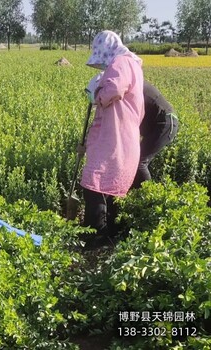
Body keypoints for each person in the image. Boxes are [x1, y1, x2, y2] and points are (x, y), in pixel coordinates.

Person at [79, 30, 145, 249]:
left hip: (115, 137)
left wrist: (97, 93)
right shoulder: (130, 64)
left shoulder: (121, 62)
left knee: (94, 183)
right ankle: (111, 234)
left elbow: (114, 89)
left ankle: (95, 236)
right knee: (110, 184)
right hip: (120, 136)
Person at [132, 81, 179, 188]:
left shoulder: (133, 86)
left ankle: (148, 196)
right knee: (135, 160)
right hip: (156, 124)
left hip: (165, 122)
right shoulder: (131, 84)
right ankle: (135, 196)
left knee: (140, 162)